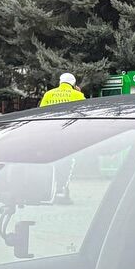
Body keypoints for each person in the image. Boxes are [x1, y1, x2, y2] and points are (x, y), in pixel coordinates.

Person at [39, 73, 85, 204]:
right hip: (69, 136)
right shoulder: (78, 95)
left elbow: (41, 114)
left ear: (60, 82)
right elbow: (84, 115)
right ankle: (62, 191)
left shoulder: (48, 94)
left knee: (52, 163)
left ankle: (48, 191)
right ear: (74, 84)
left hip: (50, 136)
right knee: (67, 163)